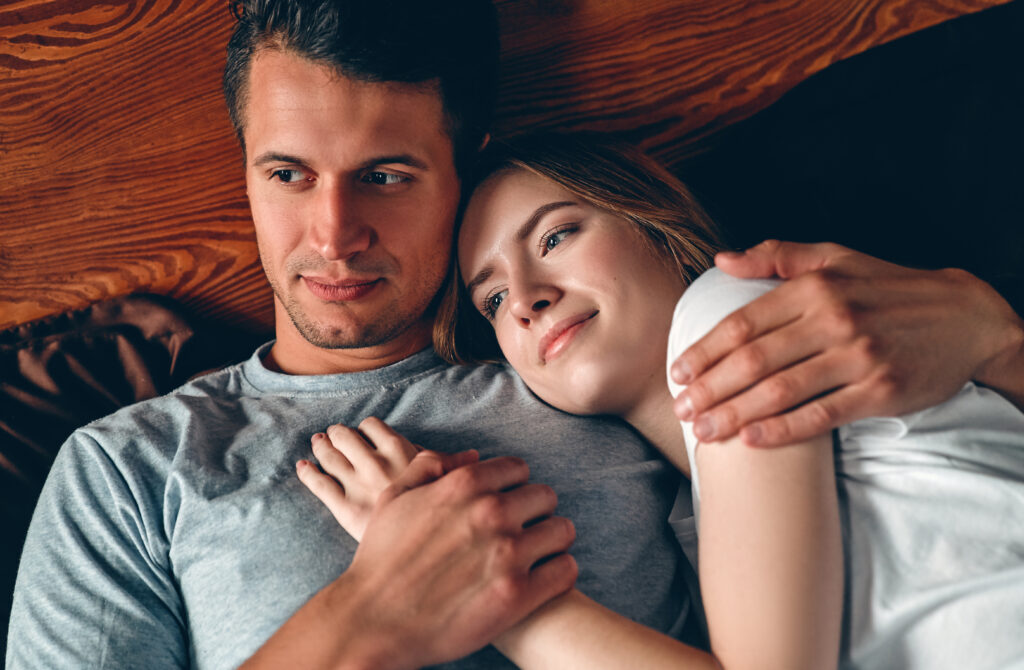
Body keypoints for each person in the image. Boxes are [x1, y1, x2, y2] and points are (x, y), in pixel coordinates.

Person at [7, 0, 1023, 666]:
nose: (333, 234)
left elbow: (915, 493)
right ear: (244, 172)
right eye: (287, 174)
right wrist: (367, 619)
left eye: (387, 175)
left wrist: (994, 334)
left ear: (465, 168)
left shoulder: (603, 362)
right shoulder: (131, 467)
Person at [301, 133, 1024, 669]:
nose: (524, 298)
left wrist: (487, 591)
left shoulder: (733, 311)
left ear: (662, 232)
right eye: (491, 298)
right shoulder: (691, 515)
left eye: (556, 235)